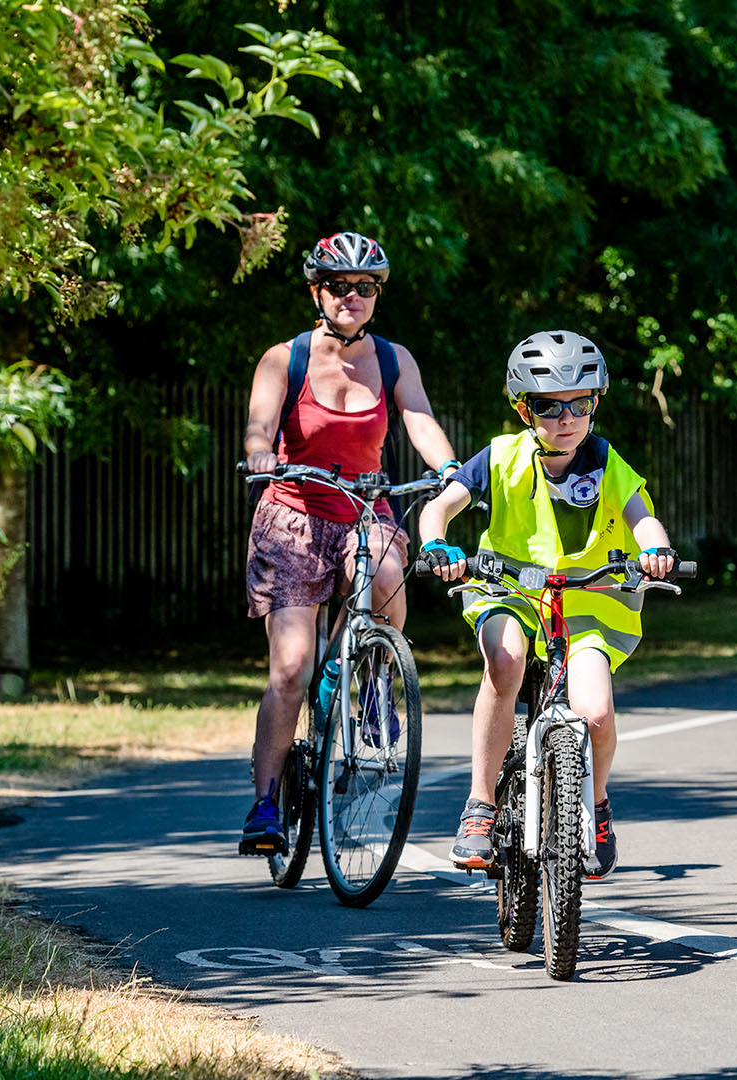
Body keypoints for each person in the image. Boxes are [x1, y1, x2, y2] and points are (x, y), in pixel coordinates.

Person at [415, 330, 676, 880]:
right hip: (507, 589)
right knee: (505, 662)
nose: (566, 419)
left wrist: (654, 548)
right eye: (548, 407)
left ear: (595, 403)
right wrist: (437, 544)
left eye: (579, 404)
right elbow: (440, 509)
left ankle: (597, 806)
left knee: (597, 711)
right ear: (522, 408)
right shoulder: (502, 455)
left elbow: (641, 516)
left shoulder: (608, 461)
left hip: (586, 602)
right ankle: (480, 806)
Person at [239, 231, 460, 856]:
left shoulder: (393, 359)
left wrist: (450, 471)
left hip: (366, 505)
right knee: (290, 669)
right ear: (318, 291)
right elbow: (260, 425)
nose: (353, 296)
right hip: (294, 513)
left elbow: (419, 419)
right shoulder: (286, 358)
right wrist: (260, 456)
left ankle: (372, 675)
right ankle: (265, 804)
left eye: (366, 287)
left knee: (390, 570)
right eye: (340, 286)